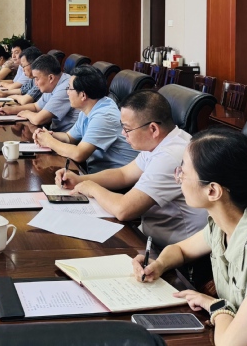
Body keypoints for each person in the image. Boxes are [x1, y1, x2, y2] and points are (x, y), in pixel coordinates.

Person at [134, 128, 247, 346]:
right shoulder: (224, 224)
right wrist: (158, 264)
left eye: (183, 172)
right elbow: (181, 250)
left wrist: (218, 307)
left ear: (213, 191)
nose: (178, 177)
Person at [54, 90, 207, 247]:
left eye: (127, 129)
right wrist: (80, 179)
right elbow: (123, 174)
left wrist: (91, 188)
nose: (123, 133)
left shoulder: (170, 156)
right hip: (148, 236)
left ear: (153, 129)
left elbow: (123, 210)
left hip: (172, 249)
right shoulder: (163, 141)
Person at [36, 66, 137, 173]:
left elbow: (79, 154)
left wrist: (49, 141)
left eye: (69, 88)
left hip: (119, 178)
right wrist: (47, 135)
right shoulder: (90, 108)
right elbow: (69, 138)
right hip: (97, 172)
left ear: (83, 95)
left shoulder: (104, 116)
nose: (67, 92)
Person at [0, 54, 77, 131]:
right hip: (55, 133)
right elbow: (36, 106)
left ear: (51, 78)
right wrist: (11, 110)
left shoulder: (66, 88)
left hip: (65, 137)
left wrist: (26, 113)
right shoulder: (53, 84)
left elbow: (38, 119)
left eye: (37, 78)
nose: (35, 83)